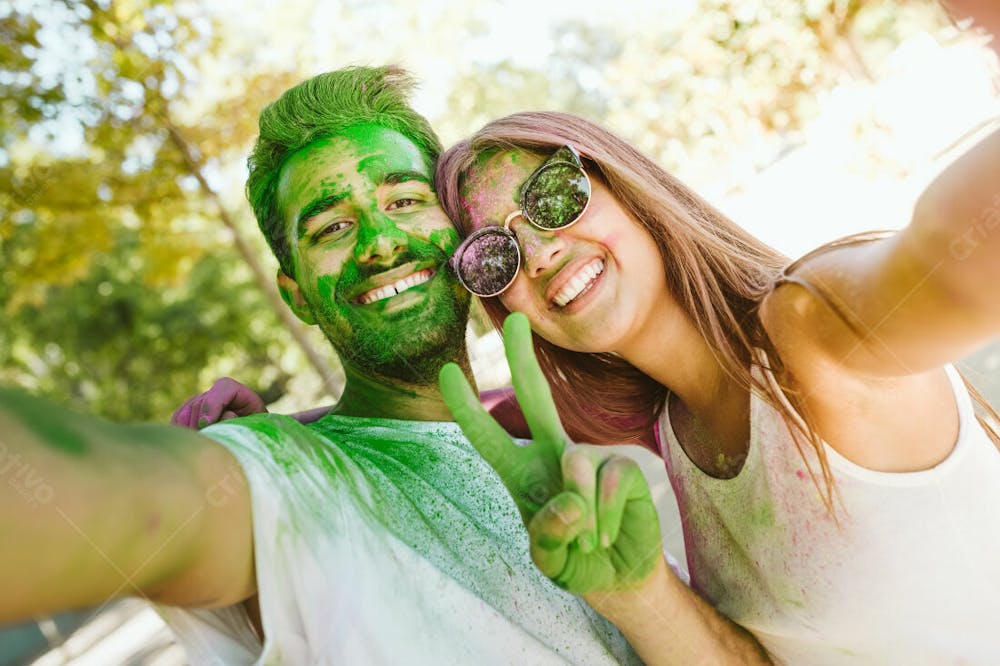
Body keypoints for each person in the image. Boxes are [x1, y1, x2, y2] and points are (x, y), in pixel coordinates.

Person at [0, 66, 772, 665]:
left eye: (404, 200)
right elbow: (112, 499)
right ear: (296, 295)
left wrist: (644, 598)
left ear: (467, 234)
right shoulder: (294, 480)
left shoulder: (592, 425)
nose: (379, 241)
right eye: (333, 225)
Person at [428, 77, 1000, 662]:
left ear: (624, 185)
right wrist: (636, 594)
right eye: (493, 256)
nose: (541, 253)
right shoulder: (673, 436)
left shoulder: (809, 329)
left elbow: (954, 266)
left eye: (554, 196)